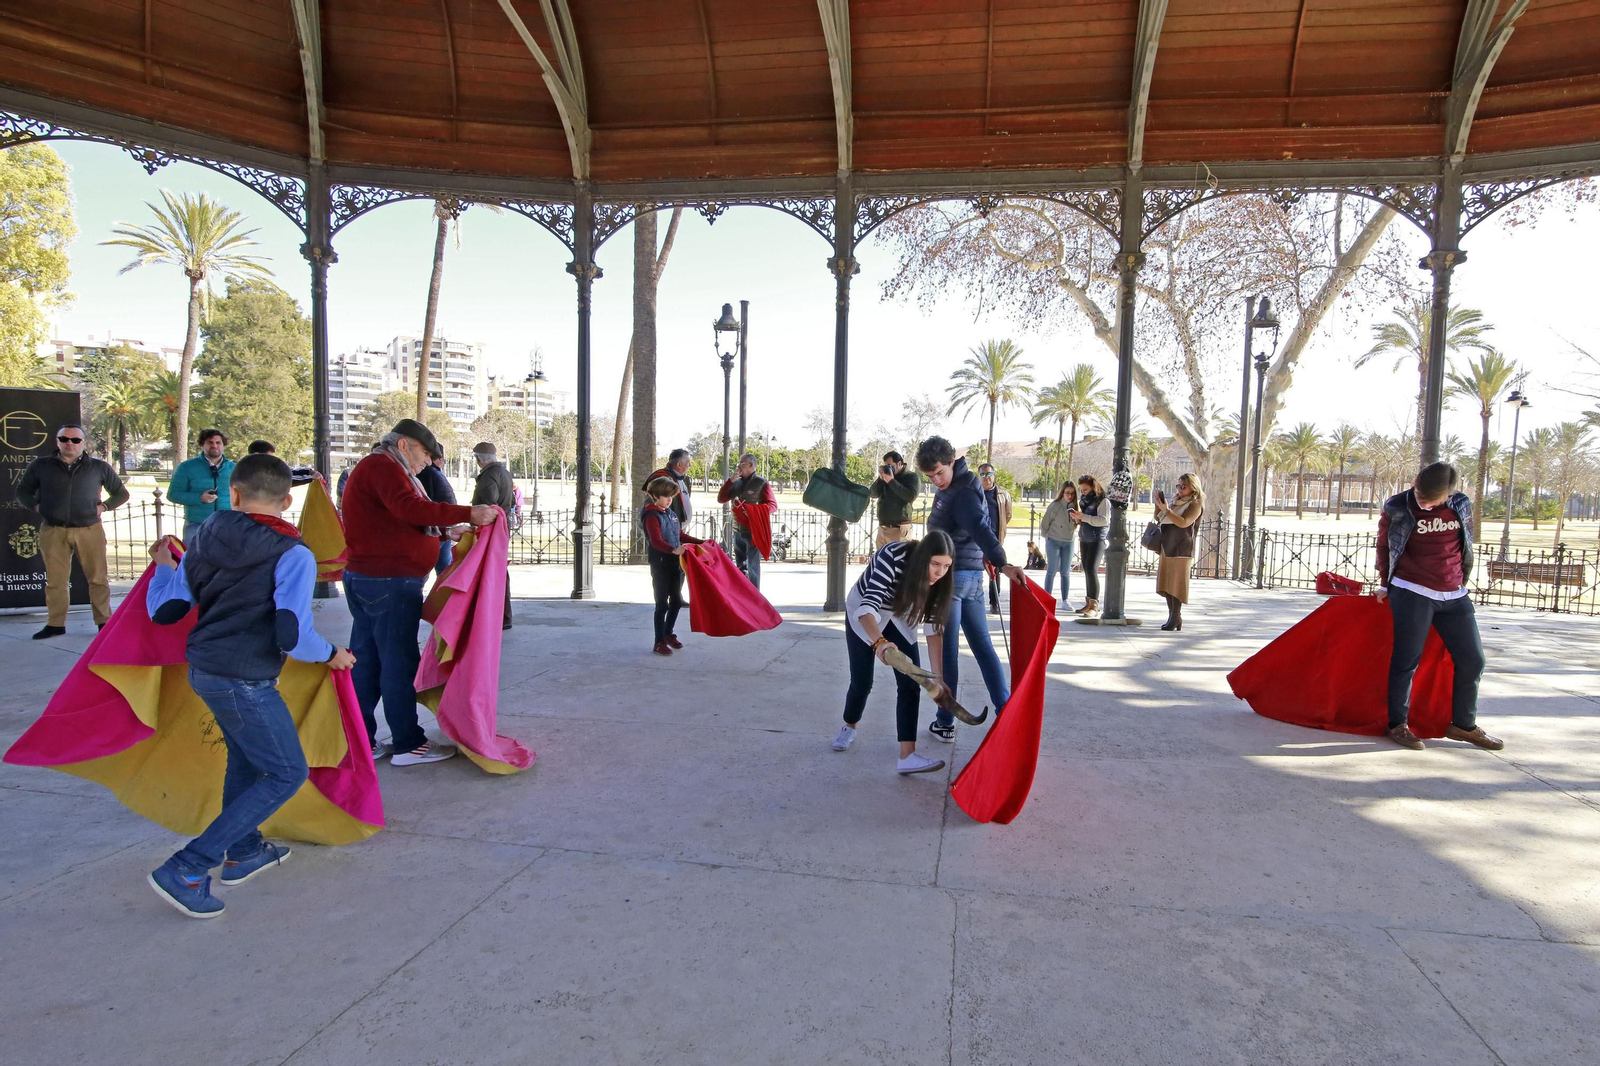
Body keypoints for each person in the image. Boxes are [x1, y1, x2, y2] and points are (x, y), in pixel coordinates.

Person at [142, 452, 357, 918]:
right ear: (286, 502)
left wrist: (162, 567)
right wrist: (333, 653)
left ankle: (243, 850)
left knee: (244, 760)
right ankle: (188, 866)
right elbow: (292, 636)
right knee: (286, 773)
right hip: (245, 681)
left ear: (233, 494)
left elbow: (165, 610)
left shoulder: (207, 534)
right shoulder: (293, 553)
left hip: (205, 671)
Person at [342, 419, 498, 764]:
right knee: (397, 662)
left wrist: (445, 533)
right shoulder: (384, 468)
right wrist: (468, 513)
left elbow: (393, 522)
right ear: (404, 445)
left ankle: (360, 741)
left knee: (367, 661)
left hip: (371, 578)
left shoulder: (379, 466)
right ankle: (407, 743)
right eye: (425, 453)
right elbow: (408, 508)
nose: (428, 462)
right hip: (389, 582)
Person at [1375, 462, 1501, 752]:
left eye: (1432, 499)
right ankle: (1398, 724)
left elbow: (1465, 543)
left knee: (1473, 660)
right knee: (1407, 661)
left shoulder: (1461, 504)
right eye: (1420, 494)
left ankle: (1463, 725)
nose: (1424, 502)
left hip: (1454, 594)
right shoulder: (1397, 506)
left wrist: (1460, 579)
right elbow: (1384, 546)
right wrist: (1384, 584)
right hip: (1412, 591)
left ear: (1449, 493)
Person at [915, 436, 1024, 744]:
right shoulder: (962, 485)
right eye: (930, 477)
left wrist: (1002, 562)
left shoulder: (961, 492)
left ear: (952, 461)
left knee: (948, 652)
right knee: (982, 647)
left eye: (939, 472)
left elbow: (979, 527)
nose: (937, 481)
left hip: (951, 579)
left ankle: (945, 721)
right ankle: (1006, 715)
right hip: (972, 577)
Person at [834, 530, 956, 775]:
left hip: (899, 614)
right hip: (864, 612)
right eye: (935, 564)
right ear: (922, 557)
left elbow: (933, 631)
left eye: (946, 566)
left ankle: (907, 756)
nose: (939, 572)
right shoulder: (893, 556)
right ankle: (849, 725)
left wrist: (938, 679)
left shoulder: (939, 581)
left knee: (911, 683)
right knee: (862, 681)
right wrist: (880, 642)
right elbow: (869, 606)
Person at [17, 422, 128, 639]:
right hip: (53, 530)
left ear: (83, 443)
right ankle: (55, 624)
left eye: (75, 440)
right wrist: (37, 506)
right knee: (55, 581)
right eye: (64, 439)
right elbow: (23, 491)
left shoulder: (98, 467)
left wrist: (104, 507)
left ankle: (104, 622)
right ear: (57, 442)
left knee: (98, 579)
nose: (70, 443)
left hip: (89, 529)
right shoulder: (41, 466)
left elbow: (121, 493)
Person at [641, 476, 704, 655]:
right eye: (666, 496)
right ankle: (658, 641)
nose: (669, 499)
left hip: (676, 564)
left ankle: (668, 633)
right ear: (655, 496)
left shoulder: (671, 513)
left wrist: (702, 542)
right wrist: (673, 549)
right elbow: (656, 541)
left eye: (671, 496)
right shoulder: (651, 515)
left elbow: (680, 535)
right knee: (662, 604)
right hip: (661, 564)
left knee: (676, 601)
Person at [471, 441, 517, 628]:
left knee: (490, 572)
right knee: (498, 570)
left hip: (490, 529)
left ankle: (496, 616)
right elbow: (511, 501)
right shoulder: (504, 473)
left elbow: (487, 506)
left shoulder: (489, 475)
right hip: (501, 527)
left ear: (479, 459)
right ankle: (502, 615)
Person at [1153, 472, 1205, 632]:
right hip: (1167, 546)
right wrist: (1159, 505)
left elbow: (1184, 523)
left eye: (1184, 486)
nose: (1180, 489)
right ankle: (1173, 616)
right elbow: (1159, 518)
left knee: (1176, 584)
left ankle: (1175, 616)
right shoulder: (1175, 501)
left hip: (1181, 548)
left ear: (1193, 488)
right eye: (1178, 486)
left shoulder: (1195, 504)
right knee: (1167, 583)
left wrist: (1167, 510)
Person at [717, 452, 776, 588]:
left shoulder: (761, 483)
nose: (738, 466)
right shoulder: (735, 482)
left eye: (742, 463)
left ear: (751, 465)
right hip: (737, 529)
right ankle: (743, 594)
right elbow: (721, 499)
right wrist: (730, 481)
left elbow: (772, 505)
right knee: (740, 566)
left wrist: (752, 511)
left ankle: (754, 594)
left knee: (752, 566)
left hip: (753, 531)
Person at [168, 428, 234, 543]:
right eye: (210, 442)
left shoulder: (234, 468)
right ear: (202, 445)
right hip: (196, 525)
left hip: (226, 525)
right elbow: (173, 494)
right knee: (193, 555)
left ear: (223, 445)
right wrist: (199, 498)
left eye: (218, 442)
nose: (214, 445)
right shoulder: (186, 467)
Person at [1071, 475, 1110, 617]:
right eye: (1081, 490)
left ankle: (1094, 605)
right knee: (1087, 569)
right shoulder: (1085, 501)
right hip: (1085, 537)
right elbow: (1087, 518)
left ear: (1093, 487)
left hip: (1097, 539)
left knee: (1092, 570)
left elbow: (1104, 520)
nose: (1083, 492)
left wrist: (1084, 517)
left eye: (1085, 489)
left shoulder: (1103, 500)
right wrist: (1079, 518)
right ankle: (1088, 602)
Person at [976, 463, 1012, 613]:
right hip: (977, 539)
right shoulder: (974, 493)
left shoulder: (1003, 495)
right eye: (983, 475)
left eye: (989, 474)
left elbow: (1007, 515)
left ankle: (994, 602)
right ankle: (976, 601)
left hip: (995, 538)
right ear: (979, 477)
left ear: (994, 475)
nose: (987, 478)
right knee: (976, 569)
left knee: (995, 571)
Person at [416, 453, 457, 577]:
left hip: (437, 527)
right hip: (442, 525)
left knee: (426, 568)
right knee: (443, 568)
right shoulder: (432, 473)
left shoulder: (427, 473)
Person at [1039, 480, 1078, 608]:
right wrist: (1047, 537)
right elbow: (1044, 524)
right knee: (1052, 570)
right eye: (1067, 493)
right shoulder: (1055, 506)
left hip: (1068, 542)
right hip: (1054, 540)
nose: (1069, 496)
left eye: (1072, 493)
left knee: (1065, 572)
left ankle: (1065, 600)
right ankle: (1047, 598)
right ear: (1062, 493)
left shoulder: (1075, 507)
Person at [869, 450, 920, 549]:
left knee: (899, 557)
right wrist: (881, 479)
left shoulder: (911, 477)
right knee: (881, 557)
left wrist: (891, 481)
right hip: (883, 528)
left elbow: (910, 496)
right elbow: (872, 493)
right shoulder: (886, 477)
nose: (888, 468)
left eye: (890, 465)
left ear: (899, 464)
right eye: (886, 466)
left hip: (899, 528)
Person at [641, 448, 693, 523]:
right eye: (688, 462)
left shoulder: (683, 479)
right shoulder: (662, 478)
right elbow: (651, 502)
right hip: (665, 526)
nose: (690, 465)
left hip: (676, 526)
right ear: (679, 464)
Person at [246, 440, 319, 486]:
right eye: (268, 456)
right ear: (256, 455)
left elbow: (284, 472)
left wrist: (307, 471)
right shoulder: (253, 471)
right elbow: (283, 480)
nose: (270, 459)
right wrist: (311, 477)